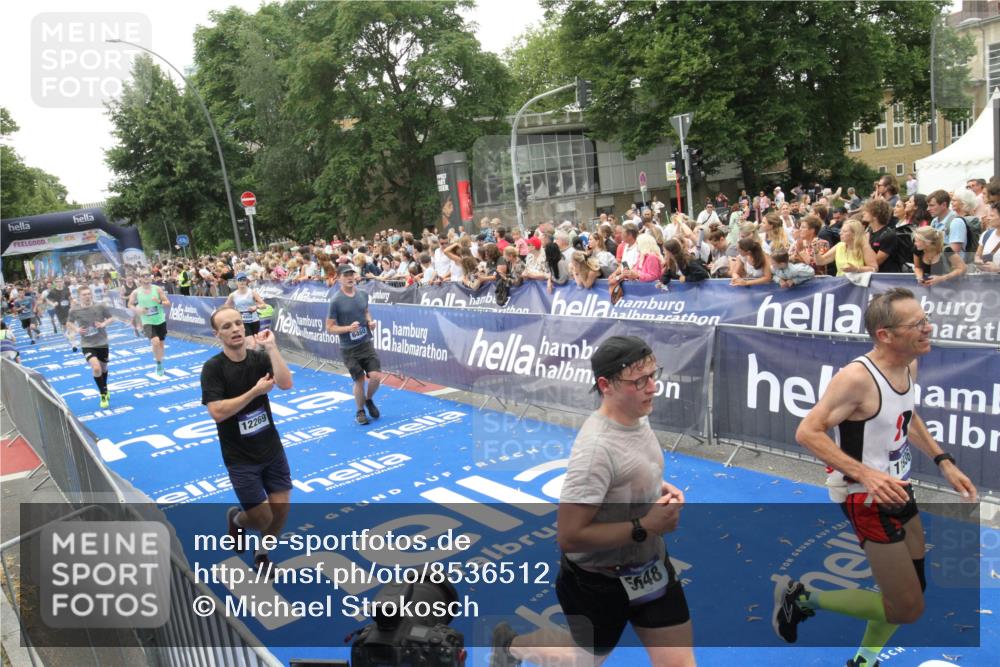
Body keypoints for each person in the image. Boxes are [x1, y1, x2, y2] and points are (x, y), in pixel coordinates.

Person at [781, 288, 976, 667]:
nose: (928, 328)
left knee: (914, 588)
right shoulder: (856, 378)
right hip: (864, 497)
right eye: (917, 324)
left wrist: (943, 461)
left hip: (896, 488)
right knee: (906, 608)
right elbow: (807, 431)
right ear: (885, 334)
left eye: (926, 319)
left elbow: (907, 416)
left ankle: (864, 661)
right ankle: (801, 598)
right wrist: (864, 473)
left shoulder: (908, 365)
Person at [491, 336, 694, 667]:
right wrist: (644, 526)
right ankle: (511, 646)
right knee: (582, 659)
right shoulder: (595, 450)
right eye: (639, 381)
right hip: (598, 583)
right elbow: (569, 536)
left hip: (650, 566)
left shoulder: (637, 414)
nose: (652, 387)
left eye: (653, 375)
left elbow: (628, 471)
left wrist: (654, 487)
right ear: (605, 385)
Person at [202, 307, 293, 577]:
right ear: (217, 334)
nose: (235, 329)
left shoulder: (259, 358)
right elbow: (217, 412)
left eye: (238, 323)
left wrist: (272, 348)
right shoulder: (213, 368)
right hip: (240, 457)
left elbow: (286, 383)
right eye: (227, 326)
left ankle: (262, 554)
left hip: (271, 448)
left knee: (280, 509)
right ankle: (237, 519)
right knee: (262, 518)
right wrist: (255, 392)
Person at [325, 264, 383, 425]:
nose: (350, 278)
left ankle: (368, 400)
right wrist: (348, 329)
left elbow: (365, 311)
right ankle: (360, 411)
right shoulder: (336, 301)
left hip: (366, 343)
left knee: (376, 376)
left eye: (351, 274)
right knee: (359, 380)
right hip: (349, 349)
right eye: (346, 275)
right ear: (339, 278)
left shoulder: (363, 294)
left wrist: (370, 322)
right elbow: (329, 327)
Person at [65, 285, 115, 409]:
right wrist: (77, 329)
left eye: (88, 294)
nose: (87, 296)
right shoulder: (74, 310)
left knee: (103, 368)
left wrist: (103, 324)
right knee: (96, 368)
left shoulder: (100, 306)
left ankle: (104, 387)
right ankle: (103, 394)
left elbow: (111, 318)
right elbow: (69, 323)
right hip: (87, 344)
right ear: (79, 296)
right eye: (84, 294)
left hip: (102, 342)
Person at [128, 272, 171, 376]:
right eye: (144, 276)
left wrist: (159, 301)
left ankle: (160, 363)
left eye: (148, 276)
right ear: (140, 279)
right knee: (155, 342)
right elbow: (130, 304)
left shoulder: (157, 289)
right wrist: (137, 310)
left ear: (151, 278)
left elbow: (168, 303)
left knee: (161, 344)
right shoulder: (136, 292)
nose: (146, 278)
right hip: (147, 322)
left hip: (160, 320)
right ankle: (158, 364)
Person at [225, 273, 268, 337]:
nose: (242, 282)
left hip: (254, 320)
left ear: (246, 281)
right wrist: (234, 313)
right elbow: (226, 307)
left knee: (255, 338)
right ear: (236, 282)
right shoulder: (232, 295)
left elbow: (264, 305)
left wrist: (256, 307)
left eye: (244, 280)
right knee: (249, 339)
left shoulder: (252, 292)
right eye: (240, 280)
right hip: (241, 322)